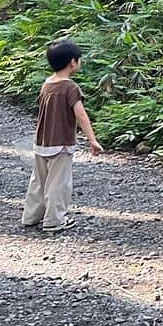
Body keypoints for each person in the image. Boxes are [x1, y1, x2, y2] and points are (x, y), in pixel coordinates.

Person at [21, 39, 103, 233]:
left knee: (39, 181)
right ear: (72, 62)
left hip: (42, 142)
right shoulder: (70, 87)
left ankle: (31, 216)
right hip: (61, 143)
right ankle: (54, 220)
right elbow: (80, 114)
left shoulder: (46, 84)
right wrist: (92, 139)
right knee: (58, 183)